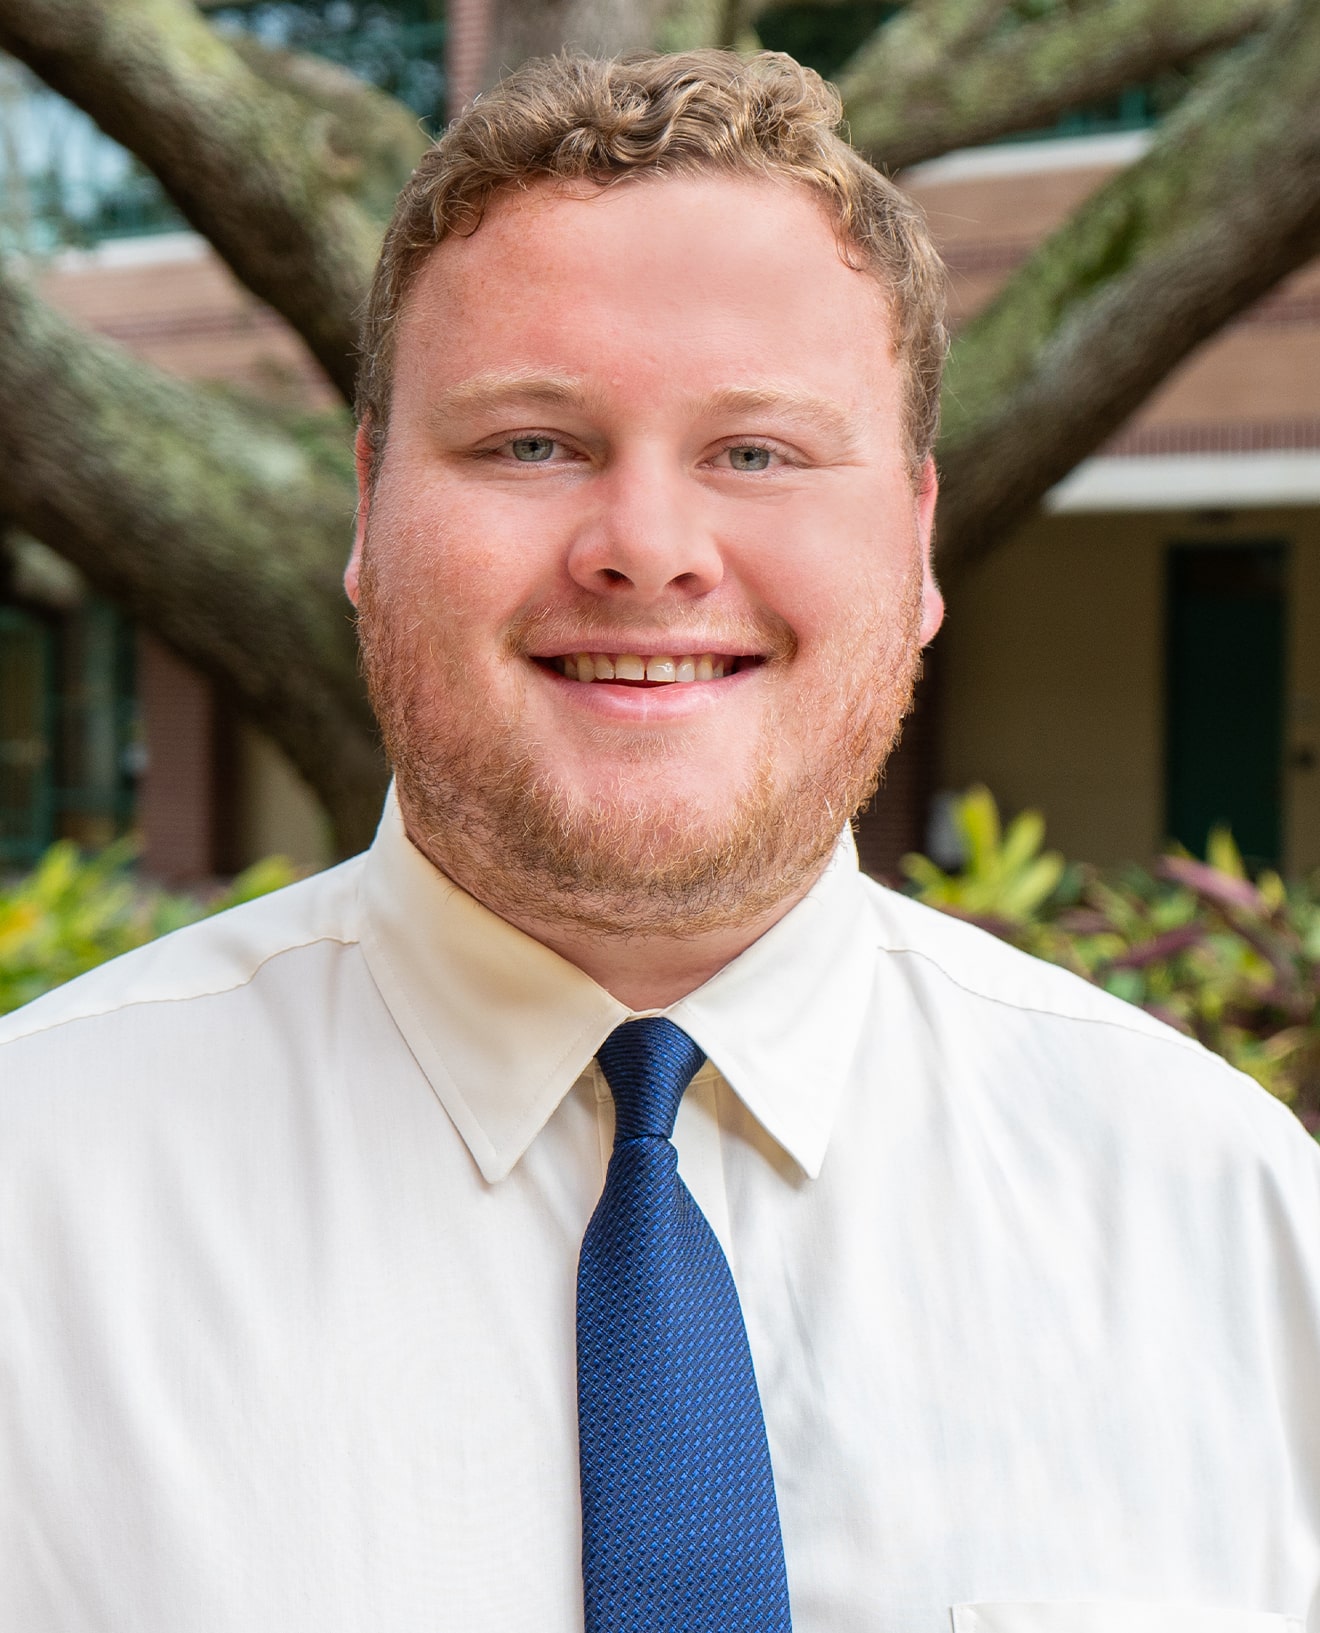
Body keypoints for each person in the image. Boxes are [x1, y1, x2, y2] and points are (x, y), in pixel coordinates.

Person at [3, 46, 1320, 1633]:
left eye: (756, 451)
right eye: (531, 443)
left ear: (914, 540)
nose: (648, 548)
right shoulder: (36, 1200)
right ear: (368, 511)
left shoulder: (1229, 1213)